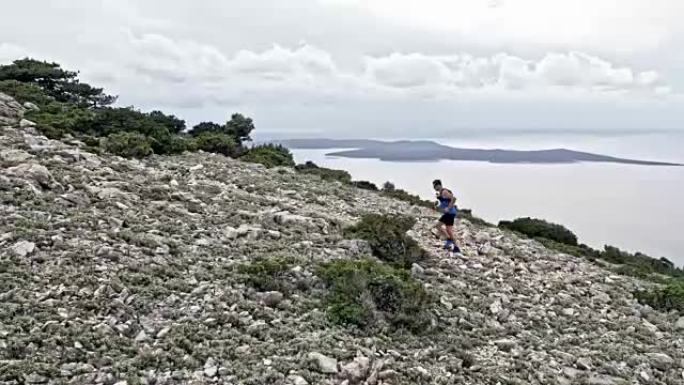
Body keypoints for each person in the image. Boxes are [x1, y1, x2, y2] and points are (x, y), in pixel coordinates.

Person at [432, 179, 461, 253]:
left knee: (441, 227)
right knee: (445, 229)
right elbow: (444, 203)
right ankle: (452, 244)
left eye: (434, 186)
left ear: (438, 185)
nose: (434, 188)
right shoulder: (440, 194)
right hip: (449, 213)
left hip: (450, 213)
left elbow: (453, 199)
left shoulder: (444, 191)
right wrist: (437, 206)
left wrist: (448, 208)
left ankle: (452, 243)